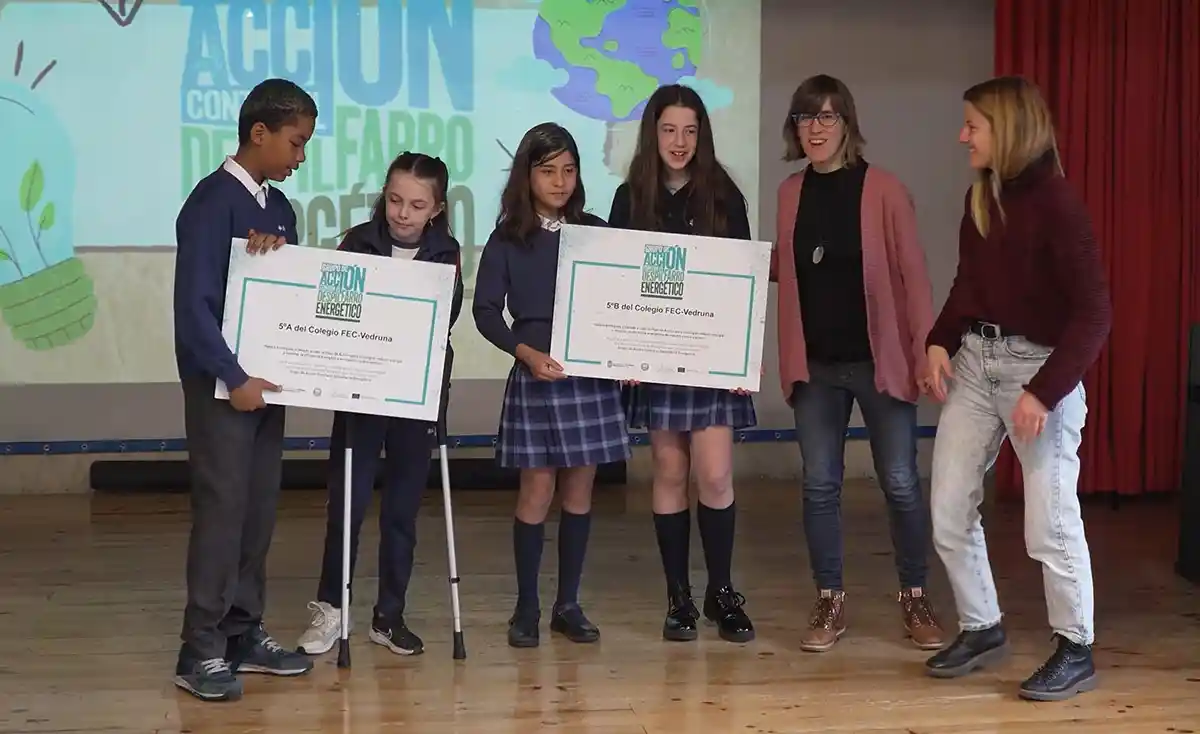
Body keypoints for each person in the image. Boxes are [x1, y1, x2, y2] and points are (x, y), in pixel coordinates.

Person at [921, 75, 1111, 702]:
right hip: (977, 364)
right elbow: (968, 284)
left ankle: (1075, 647)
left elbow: (1094, 314)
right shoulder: (983, 197)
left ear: (1006, 129)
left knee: (1048, 522)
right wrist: (939, 341)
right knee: (948, 507)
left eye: (972, 124)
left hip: (1040, 370)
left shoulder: (1058, 205)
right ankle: (982, 627)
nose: (962, 136)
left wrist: (1044, 392)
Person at [770, 74, 945, 653]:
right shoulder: (789, 193)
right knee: (820, 485)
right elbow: (787, 267)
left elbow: (915, 278)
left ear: (847, 123)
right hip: (816, 368)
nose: (815, 128)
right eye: (805, 117)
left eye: (827, 116)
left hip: (880, 363)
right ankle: (830, 600)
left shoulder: (885, 190)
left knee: (900, 482)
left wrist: (927, 350)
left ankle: (915, 596)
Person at [171, 78, 318, 702]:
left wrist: (277, 255)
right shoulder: (210, 203)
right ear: (259, 133)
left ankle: (242, 632)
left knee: (258, 512)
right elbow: (193, 309)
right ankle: (198, 648)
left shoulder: (279, 207)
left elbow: (285, 290)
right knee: (223, 513)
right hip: (224, 389)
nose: (301, 156)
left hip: (266, 387)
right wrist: (232, 378)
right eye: (296, 142)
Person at [294, 152, 463, 658]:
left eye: (416, 205)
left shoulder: (446, 253)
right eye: (394, 200)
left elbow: (444, 318)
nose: (402, 213)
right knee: (346, 506)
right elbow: (333, 307)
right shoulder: (358, 242)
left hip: (414, 395)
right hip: (360, 394)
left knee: (402, 512)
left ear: (436, 209)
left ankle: (389, 615)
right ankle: (331, 608)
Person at [473, 122, 631, 648]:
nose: (560, 181)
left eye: (569, 170)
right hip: (537, 375)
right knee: (537, 491)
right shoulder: (507, 238)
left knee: (580, 491)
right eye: (548, 171)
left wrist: (628, 352)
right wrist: (525, 353)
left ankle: (568, 604)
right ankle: (526, 607)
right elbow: (485, 311)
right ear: (527, 175)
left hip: (590, 377)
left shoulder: (596, 232)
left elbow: (624, 302)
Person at [608, 84, 755, 644]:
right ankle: (679, 598)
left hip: (711, 360)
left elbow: (741, 283)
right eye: (669, 130)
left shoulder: (724, 195)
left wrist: (742, 357)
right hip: (656, 359)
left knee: (714, 475)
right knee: (669, 472)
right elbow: (618, 282)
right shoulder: (630, 198)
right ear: (653, 134)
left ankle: (722, 592)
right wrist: (623, 350)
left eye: (690, 131)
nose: (679, 141)